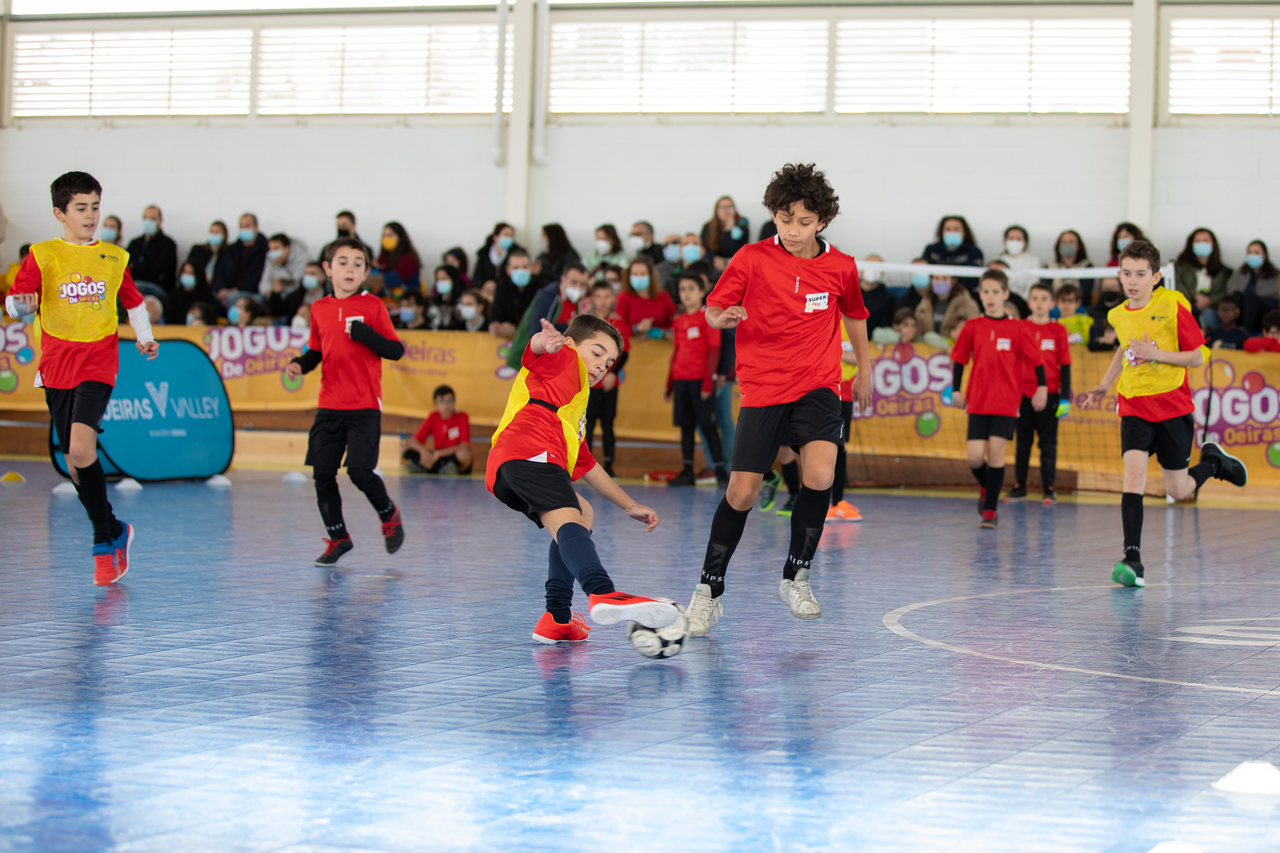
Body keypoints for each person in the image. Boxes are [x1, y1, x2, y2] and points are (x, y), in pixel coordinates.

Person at [684, 162, 871, 637]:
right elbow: (712, 307)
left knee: (821, 474)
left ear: (822, 221)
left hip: (820, 384)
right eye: (784, 219)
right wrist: (720, 318)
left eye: (804, 222)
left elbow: (854, 316)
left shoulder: (841, 267)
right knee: (741, 493)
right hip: (764, 387)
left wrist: (865, 369)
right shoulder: (749, 257)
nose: (792, 230)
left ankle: (796, 576)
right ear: (773, 214)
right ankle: (708, 591)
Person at [4, 171, 158, 586]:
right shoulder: (42, 254)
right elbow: (18, 303)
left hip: (98, 363)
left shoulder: (113, 257)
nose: (90, 215)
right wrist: (19, 305)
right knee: (77, 464)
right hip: (56, 367)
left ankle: (99, 543)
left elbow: (134, 302)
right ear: (60, 213)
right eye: (80, 208)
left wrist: (145, 337)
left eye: (95, 206)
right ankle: (114, 528)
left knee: (79, 446)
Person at [486, 313, 678, 645]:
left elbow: (588, 466)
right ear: (572, 344)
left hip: (512, 465)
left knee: (581, 514)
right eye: (598, 352)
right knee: (567, 518)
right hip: (532, 449)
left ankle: (556, 619)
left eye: (611, 361)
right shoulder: (564, 361)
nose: (603, 364)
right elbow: (536, 351)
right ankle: (601, 592)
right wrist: (542, 343)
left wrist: (630, 505)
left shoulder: (573, 408)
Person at [1081, 240, 1247, 587]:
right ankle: (1133, 559)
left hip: (1172, 407)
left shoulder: (1172, 306)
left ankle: (1214, 463)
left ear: (1156, 277)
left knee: (1180, 489)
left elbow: (1198, 356)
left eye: (1141, 274)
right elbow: (1123, 350)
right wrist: (1104, 384)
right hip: (1134, 406)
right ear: (1119, 274)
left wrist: (1157, 355)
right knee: (1133, 479)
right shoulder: (1117, 314)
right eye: (1127, 273)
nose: (1133, 280)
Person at [284, 238, 406, 567]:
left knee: (360, 471)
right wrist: (300, 364)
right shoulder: (319, 308)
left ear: (366, 272)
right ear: (327, 268)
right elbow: (316, 351)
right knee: (322, 473)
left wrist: (367, 335)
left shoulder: (374, 307)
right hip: (329, 405)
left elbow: (395, 350)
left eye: (357, 263)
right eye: (342, 262)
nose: (349, 268)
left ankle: (388, 513)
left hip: (364, 405)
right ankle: (338, 538)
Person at [950, 268, 1047, 529]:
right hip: (978, 401)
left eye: (996, 292)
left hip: (1006, 401)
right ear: (980, 294)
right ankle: (987, 487)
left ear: (1005, 294)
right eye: (986, 292)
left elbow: (1036, 360)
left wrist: (1042, 387)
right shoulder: (972, 327)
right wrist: (956, 390)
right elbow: (959, 359)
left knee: (996, 453)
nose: (990, 296)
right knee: (974, 458)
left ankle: (990, 510)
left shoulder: (1017, 328)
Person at [1008, 283, 1070, 503]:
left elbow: (1065, 364)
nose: (1039, 303)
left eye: (1044, 299)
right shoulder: (1019, 327)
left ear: (1052, 304)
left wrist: (1065, 399)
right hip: (1022, 394)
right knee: (1022, 442)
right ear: (1029, 302)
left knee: (1047, 444)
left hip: (1050, 394)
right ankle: (1019, 486)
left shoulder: (1058, 330)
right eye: (1035, 298)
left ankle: (1049, 488)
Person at [665, 271, 728, 488]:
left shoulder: (708, 317)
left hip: (699, 382)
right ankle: (687, 470)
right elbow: (676, 353)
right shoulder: (679, 321)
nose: (686, 294)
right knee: (685, 427)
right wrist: (669, 384)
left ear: (702, 291)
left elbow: (714, 350)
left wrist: (707, 382)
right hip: (681, 381)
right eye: (683, 289)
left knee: (709, 427)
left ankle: (721, 470)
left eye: (691, 289)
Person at [584, 280, 629, 477]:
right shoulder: (587, 324)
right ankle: (586, 467)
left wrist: (611, 373)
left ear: (613, 299)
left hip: (610, 385)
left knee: (608, 425)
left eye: (606, 296)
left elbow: (624, 353)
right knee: (588, 425)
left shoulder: (619, 324)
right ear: (592, 298)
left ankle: (609, 466)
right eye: (598, 296)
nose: (602, 301)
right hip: (590, 385)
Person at [827, 320, 862, 522]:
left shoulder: (850, 324)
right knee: (823, 446)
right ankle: (825, 503)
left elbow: (858, 358)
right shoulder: (820, 318)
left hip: (845, 391)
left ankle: (837, 502)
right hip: (824, 388)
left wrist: (836, 352)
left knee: (840, 446)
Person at [402, 384, 472, 475]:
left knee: (464, 454)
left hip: (450, 456)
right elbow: (413, 442)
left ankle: (450, 470)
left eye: (450, 401)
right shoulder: (433, 417)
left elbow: (464, 446)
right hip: (436, 458)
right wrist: (424, 452)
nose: (446, 405)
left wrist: (439, 453)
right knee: (405, 449)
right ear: (436, 405)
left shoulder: (462, 417)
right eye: (442, 401)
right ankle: (431, 468)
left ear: (454, 403)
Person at [1174, 227, 1230, 330]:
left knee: (1208, 315)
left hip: (1211, 308)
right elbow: (1178, 285)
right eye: (1198, 241)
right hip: (1188, 304)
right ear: (1191, 244)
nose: (1202, 244)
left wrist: (1209, 300)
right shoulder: (1180, 267)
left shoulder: (1223, 271)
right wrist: (1195, 297)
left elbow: (1225, 291)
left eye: (1205, 241)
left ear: (1213, 244)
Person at [213, 213, 268, 308]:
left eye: (247, 226)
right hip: (227, 291)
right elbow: (219, 272)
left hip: (250, 292)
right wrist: (220, 289)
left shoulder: (265, 249)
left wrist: (235, 290)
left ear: (256, 227)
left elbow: (258, 277)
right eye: (241, 226)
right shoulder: (231, 249)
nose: (244, 229)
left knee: (233, 298)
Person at [1226, 240, 1279, 333]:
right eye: (1250, 253)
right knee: (1237, 297)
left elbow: (1275, 293)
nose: (1253, 255)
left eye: (1257, 253)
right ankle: (1233, 331)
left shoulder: (1274, 275)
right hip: (1242, 311)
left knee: (1251, 298)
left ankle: (1247, 332)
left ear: (1264, 255)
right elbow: (1231, 290)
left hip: (1264, 311)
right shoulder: (1240, 273)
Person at [617, 256, 676, 337]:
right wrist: (636, 328)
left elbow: (674, 322)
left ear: (650, 276)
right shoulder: (624, 297)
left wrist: (659, 332)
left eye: (643, 274)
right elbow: (617, 328)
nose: (638, 277)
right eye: (635, 274)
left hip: (662, 346)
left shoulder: (663, 296)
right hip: (634, 346)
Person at [125, 205, 177, 297]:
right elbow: (125, 269)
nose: (148, 222)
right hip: (133, 285)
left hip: (156, 288)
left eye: (152, 219)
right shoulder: (135, 243)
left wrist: (135, 266)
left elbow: (157, 273)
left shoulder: (168, 244)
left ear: (160, 221)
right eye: (145, 218)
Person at [922, 215, 983, 292]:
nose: (952, 232)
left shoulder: (974, 251)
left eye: (956, 229)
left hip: (964, 294)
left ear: (964, 232)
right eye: (948, 229)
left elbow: (974, 279)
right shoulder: (931, 250)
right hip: (934, 294)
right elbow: (925, 275)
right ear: (942, 232)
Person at [487, 248, 535, 338]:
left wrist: (516, 329)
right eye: (516, 268)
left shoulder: (541, 287)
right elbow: (496, 313)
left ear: (531, 268)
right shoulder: (502, 287)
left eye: (525, 267)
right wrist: (495, 325)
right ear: (508, 270)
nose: (520, 271)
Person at [530, 263, 590, 332]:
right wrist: (567, 325)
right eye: (574, 282)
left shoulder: (579, 301)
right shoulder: (547, 297)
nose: (578, 287)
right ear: (563, 279)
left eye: (582, 284)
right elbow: (538, 331)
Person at [915, 275, 978, 339]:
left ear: (953, 280)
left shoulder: (967, 304)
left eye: (945, 278)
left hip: (957, 346)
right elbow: (918, 332)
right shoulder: (924, 304)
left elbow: (975, 331)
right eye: (936, 278)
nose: (940, 282)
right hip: (929, 347)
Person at [701, 195, 750, 274]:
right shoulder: (708, 227)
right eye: (722, 207)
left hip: (734, 266)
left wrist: (730, 228)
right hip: (712, 266)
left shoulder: (743, 229)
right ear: (717, 210)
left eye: (729, 207)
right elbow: (704, 250)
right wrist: (714, 258)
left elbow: (738, 252)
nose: (726, 211)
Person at [259, 233, 308, 306]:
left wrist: (280, 267)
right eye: (271, 249)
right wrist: (268, 291)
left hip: (292, 295)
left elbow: (296, 284)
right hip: (273, 293)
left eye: (276, 248)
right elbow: (265, 280)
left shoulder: (302, 258)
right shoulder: (270, 257)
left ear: (287, 248)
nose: (273, 252)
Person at [1047, 230, 1094, 303]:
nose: (1067, 245)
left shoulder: (1087, 266)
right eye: (1063, 242)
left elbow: (1085, 294)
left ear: (1078, 246)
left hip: (1078, 307)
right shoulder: (1049, 266)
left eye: (1071, 242)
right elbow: (1046, 292)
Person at [376, 221, 422, 297]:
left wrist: (364, 280)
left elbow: (392, 280)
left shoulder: (409, 258)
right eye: (384, 235)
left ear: (400, 237)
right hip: (387, 297)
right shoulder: (384, 255)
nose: (386, 238)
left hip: (407, 299)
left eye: (390, 235)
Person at [997, 224, 1042, 301]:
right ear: (1005, 241)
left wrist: (1021, 301)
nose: (1014, 241)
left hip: (1025, 302)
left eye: (1018, 239)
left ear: (1025, 243)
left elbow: (1033, 284)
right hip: (1001, 301)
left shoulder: (1033, 260)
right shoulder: (997, 260)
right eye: (1011, 238)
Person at [473, 222, 520, 288]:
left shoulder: (516, 253)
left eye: (511, 236)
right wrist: (484, 284)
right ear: (495, 237)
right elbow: (476, 278)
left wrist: (498, 286)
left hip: (506, 290)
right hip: (486, 290)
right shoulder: (484, 253)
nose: (509, 238)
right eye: (506, 235)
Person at [858, 254, 895, 334]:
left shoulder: (888, 299)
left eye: (877, 267)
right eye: (869, 266)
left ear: (882, 272)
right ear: (861, 269)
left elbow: (886, 327)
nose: (872, 270)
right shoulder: (846, 293)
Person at [1087, 277, 1124, 351]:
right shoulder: (1091, 311)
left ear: (1120, 289)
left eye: (1114, 287)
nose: (1110, 291)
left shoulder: (1127, 310)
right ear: (1101, 290)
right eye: (1106, 288)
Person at [426, 265, 465, 329]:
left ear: (453, 279)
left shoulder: (463, 301)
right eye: (438, 280)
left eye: (444, 279)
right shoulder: (434, 302)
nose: (441, 282)